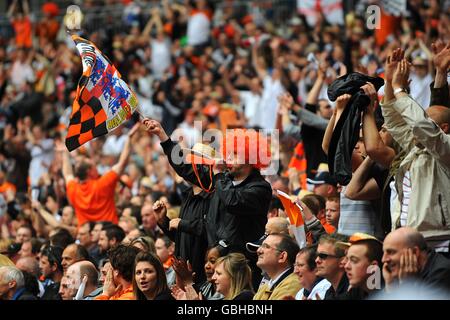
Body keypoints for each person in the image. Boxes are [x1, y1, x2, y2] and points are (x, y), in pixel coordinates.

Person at [143, 118, 272, 288]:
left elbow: (232, 201)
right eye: (229, 153)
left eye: (235, 154)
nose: (228, 159)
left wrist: (218, 176)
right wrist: (163, 136)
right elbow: (185, 167)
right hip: (216, 266)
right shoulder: (222, 179)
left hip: (240, 268)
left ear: (249, 158)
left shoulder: (260, 188)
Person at [382, 51, 450, 252]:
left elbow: (420, 125)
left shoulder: (444, 148)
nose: (414, 126)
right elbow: (394, 121)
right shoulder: (417, 147)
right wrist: (388, 82)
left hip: (440, 244)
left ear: (444, 128)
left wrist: (399, 89)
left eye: (429, 122)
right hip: (410, 240)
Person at [58, 124, 139, 227]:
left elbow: (67, 173)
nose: (96, 167)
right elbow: (122, 163)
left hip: (87, 235)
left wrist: (64, 153)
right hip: (109, 230)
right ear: (89, 172)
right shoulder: (102, 184)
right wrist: (129, 138)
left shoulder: (73, 189)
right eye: (93, 166)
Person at [382, 227, 450, 293]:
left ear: (414, 252)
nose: (383, 259)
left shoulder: (441, 273)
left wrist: (407, 285)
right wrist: (390, 286)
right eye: (384, 253)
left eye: (391, 252)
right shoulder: (402, 275)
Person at [253, 233, 301, 300]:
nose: (258, 251)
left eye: (266, 246)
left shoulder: (292, 285)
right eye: (261, 246)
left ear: (282, 256)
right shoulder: (266, 286)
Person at [339, 233, 384, 299]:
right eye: (347, 259)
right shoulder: (356, 291)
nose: (346, 266)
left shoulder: (393, 294)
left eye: (354, 260)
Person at [316, 233, 349, 300]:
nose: (317, 260)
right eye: (316, 255)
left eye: (323, 256)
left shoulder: (353, 290)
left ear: (342, 261)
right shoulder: (329, 293)